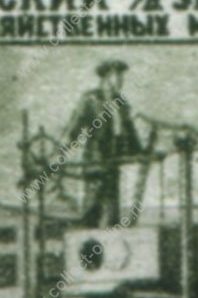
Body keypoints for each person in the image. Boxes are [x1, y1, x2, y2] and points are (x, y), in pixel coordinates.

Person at [61, 61, 149, 224]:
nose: (121, 81)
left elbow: (129, 130)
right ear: (106, 78)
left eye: (122, 77)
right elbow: (74, 127)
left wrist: (140, 153)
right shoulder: (91, 99)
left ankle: (110, 234)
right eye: (117, 76)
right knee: (93, 206)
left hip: (113, 162)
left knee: (112, 209)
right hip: (96, 161)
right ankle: (87, 234)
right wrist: (64, 149)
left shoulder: (120, 102)